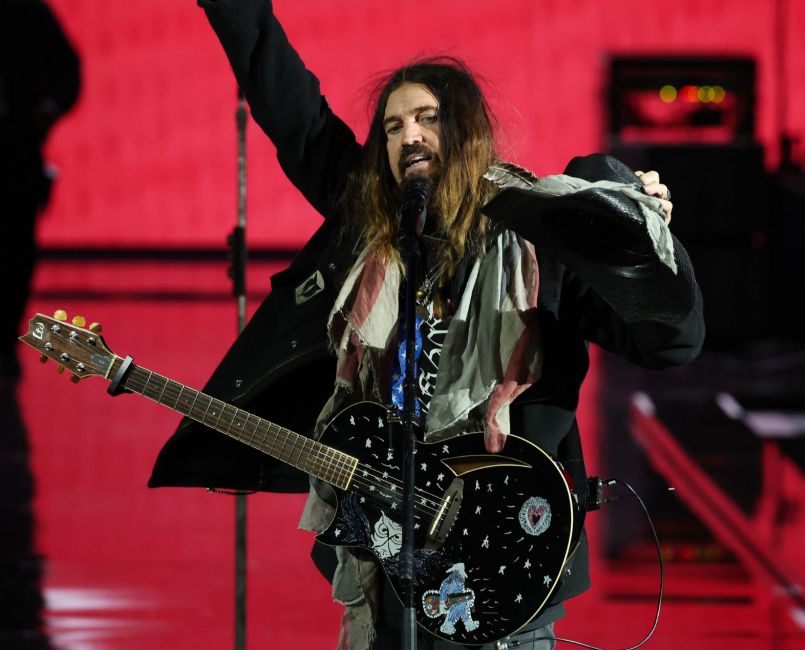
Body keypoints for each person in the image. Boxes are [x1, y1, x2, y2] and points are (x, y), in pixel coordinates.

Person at [148, 1, 704, 648]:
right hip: (389, 569)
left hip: (504, 572)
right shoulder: (370, 225)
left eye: (427, 119)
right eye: (390, 127)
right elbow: (295, 115)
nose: (406, 135)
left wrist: (638, 254)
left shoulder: (538, 242)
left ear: (466, 131)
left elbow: (670, 342)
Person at [0, 0, 80, 381]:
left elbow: (70, 71)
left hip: (17, 154)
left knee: (16, 251)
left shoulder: (28, 13)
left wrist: (48, 107)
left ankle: (4, 344)